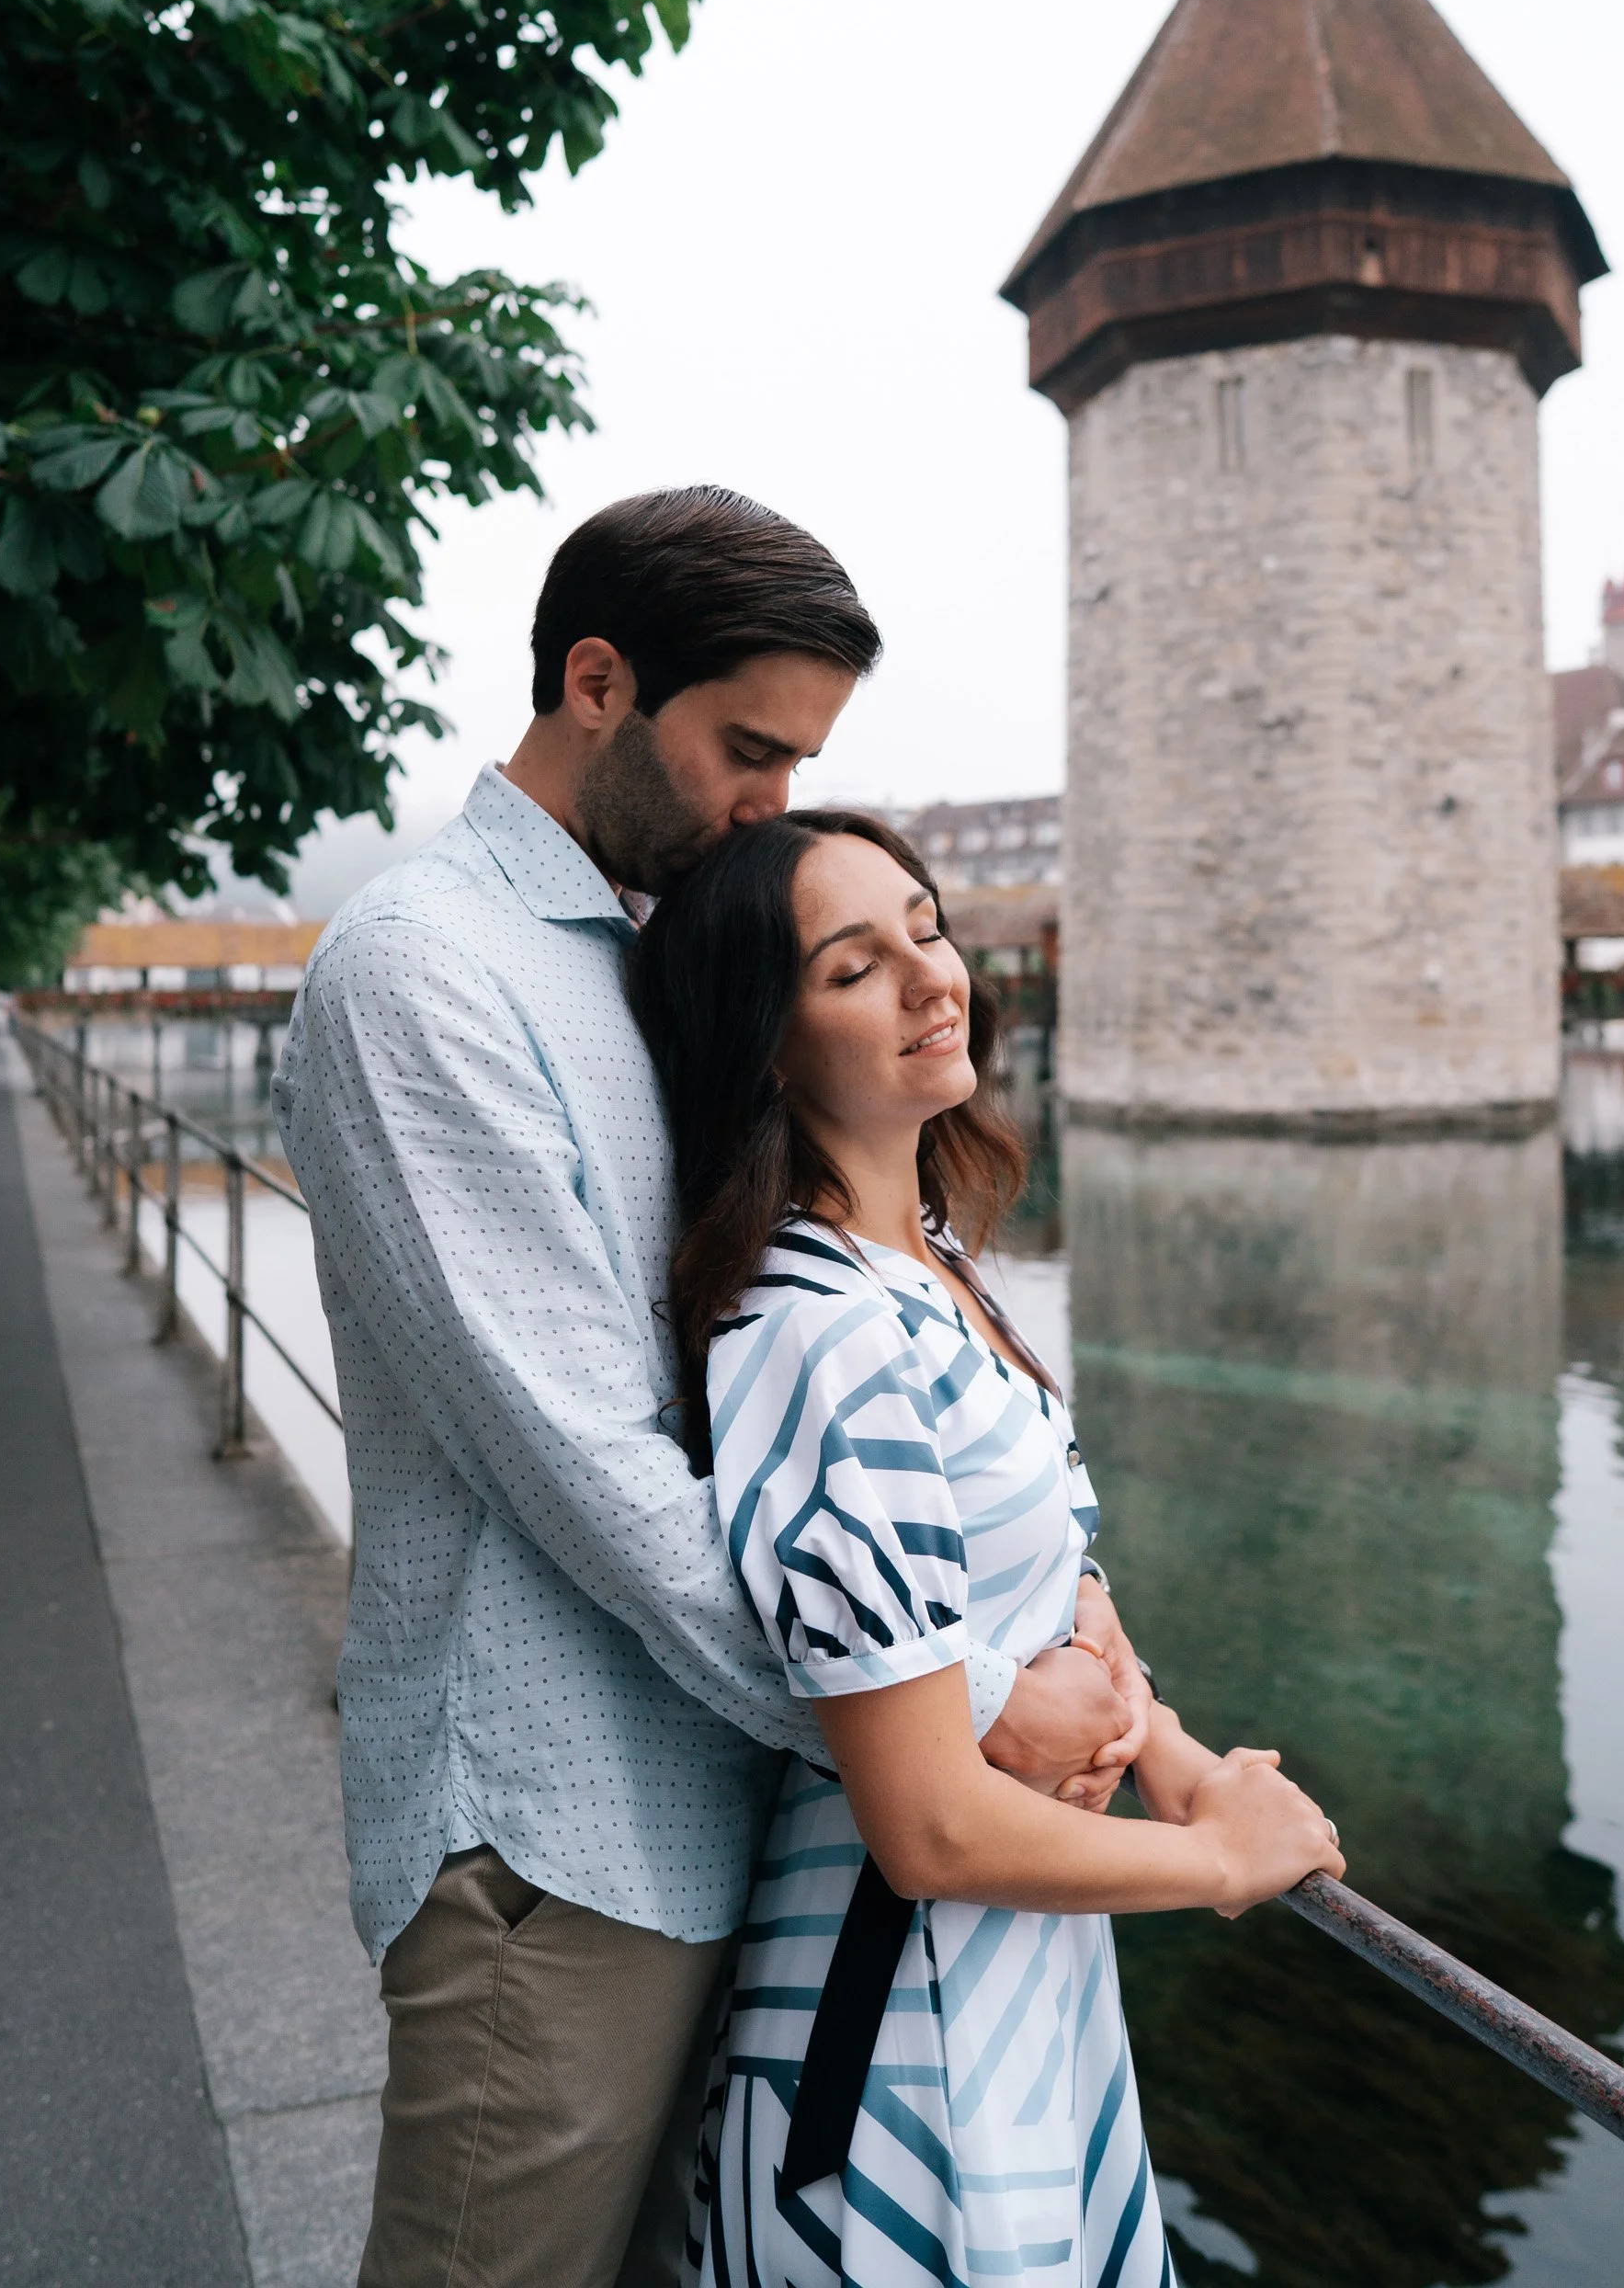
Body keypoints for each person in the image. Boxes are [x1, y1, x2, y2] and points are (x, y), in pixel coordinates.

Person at [274, 488, 1152, 2288]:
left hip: (754, 1819)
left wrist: (1067, 1594)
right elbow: (600, 1471)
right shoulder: (426, 974)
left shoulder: (656, 948)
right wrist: (968, 1706)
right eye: (748, 753)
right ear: (596, 682)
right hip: (559, 1848)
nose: (773, 806)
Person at [629, 809, 1346, 2288]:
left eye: (926, 928)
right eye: (852, 967)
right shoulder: (819, 1330)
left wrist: (1171, 1750)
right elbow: (928, 1823)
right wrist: (1212, 1860)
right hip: (900, 2029)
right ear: (763, 1041)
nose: (928, 978)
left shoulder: (928, 1263)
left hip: (1015, 1988)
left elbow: (1044, 1575)